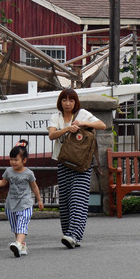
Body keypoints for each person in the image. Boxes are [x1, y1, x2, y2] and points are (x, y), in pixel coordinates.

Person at [48, 88, 106, 248]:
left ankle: (74, 235)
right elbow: (52, 135)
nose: (68, 104)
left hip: (82, 164)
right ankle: (68, 234)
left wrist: (83, 123)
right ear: (60, 102)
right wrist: (67, 129)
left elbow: (102, 125)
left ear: (76, 102)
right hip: (63, 162)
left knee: (78, 199)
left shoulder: (82, 114)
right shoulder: (55, 117)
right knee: (65, 199)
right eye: (64, 100)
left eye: (71, 100)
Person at [0, 140, 44, 257]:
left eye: (16, 160)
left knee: (22, 224)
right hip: (11, 204)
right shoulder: (8, 171)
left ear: (24, 160)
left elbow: (34, 187)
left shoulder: (29, 173)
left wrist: (39, 200)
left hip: (25, 204)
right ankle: (21, 245)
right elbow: (3, 182)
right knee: (16, 227)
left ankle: (18, 244)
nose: (13, 162)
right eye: (11, 159)